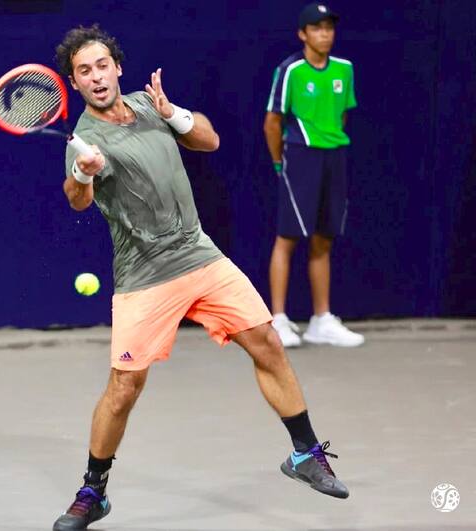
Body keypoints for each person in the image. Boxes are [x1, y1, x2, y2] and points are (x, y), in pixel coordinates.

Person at [52, 24, 349, 531]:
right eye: (84, 71)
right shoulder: (84, 138)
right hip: (144, 274)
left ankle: (303, 453)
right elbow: (76, 198)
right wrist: (83, 172)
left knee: (268, 343)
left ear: (118, 68)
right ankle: (92, 490)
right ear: (75, 83)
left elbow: (209, 141)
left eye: (102, 65)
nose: (96, 77)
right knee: (125, 386)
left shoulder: (149, 106)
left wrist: (172, 112)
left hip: (200, 255)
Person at [264, 3, 365, 348]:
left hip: (335, 156)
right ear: (302, 34)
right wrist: (281, 163)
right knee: (288, 237)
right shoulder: (290, 70)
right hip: (300, 156)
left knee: (324, 238)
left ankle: (321, 319)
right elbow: (272, 122)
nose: (325, 34)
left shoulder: (345, 70)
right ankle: (277, 319)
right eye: (317, 28)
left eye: (329, 28)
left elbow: (342, 117)